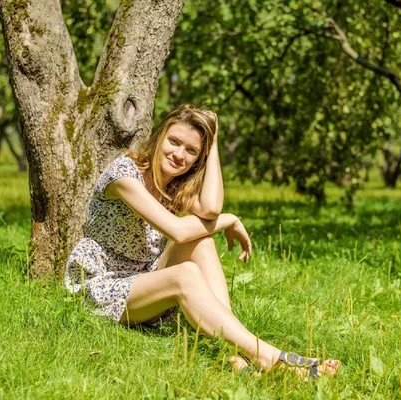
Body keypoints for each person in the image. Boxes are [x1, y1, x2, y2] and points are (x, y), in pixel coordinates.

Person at [64, 104, 340, 379]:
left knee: (203, 241)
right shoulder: (124, 174)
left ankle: (236, 354)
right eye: (174, 142)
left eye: (192, 151)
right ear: (160, 136)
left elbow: (210, 209)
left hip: (145, 278)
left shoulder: (173, 185)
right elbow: (178, 231)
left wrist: (214, 143)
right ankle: (269, 357)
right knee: (186, 270)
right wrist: (230, 219)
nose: (179, 155)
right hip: (103, 285)